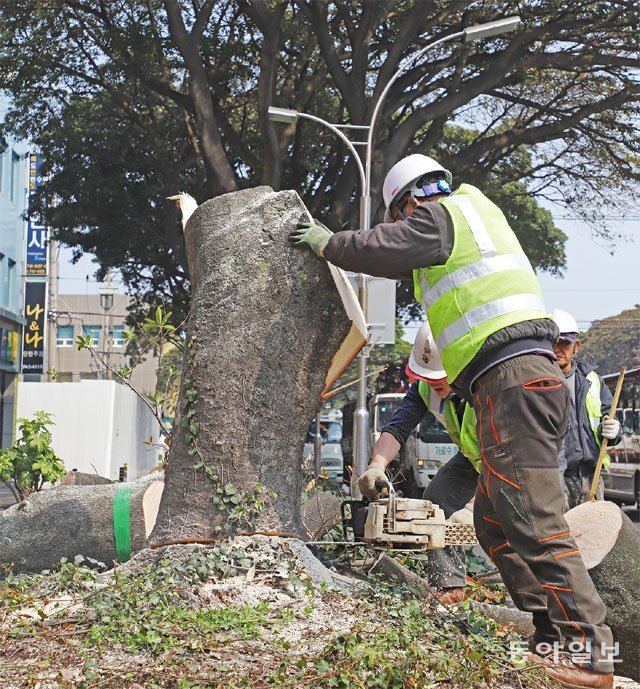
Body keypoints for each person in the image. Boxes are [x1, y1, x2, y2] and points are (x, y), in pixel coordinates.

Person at [291, 154, 614, 688]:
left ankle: (592, 653)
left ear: (411, 201)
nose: (399, 226)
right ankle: (551, 634)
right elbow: (402, 418)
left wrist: (330, 243)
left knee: (537, 523)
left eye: (397, 216)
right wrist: (376, 462)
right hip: (508, 384)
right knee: (493, 520)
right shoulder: (472, 219)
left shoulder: (445, 216)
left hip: (512, 381)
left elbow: (386, 247)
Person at [360, 322, 480, 606]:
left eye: (439, 376)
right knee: (439, 497)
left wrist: (475, 507)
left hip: (513, 461)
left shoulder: (486, 387)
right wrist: (377, 465)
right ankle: (448, 586)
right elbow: (398, 427)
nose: (433, 383)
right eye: (426, 376)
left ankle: (539, 597)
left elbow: (505, 455)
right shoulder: (424, 387)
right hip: (474, 457)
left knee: (516, 525)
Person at [551, 309, 622, 510]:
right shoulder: (538, 383)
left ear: (576, 346)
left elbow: (609, 417)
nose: (558, 349)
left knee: (593, 536)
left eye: (564, 343)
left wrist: (614, 429)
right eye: (552, 343)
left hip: (590, 476)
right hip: (554, 478)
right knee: (561, 536)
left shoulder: (592, 380)